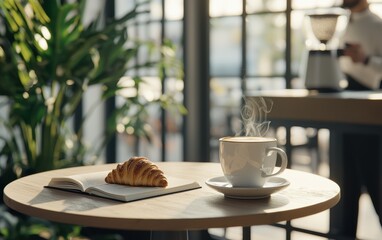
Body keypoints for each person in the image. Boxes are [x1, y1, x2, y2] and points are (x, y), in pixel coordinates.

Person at [336, 0, 382, 238]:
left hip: (368, 107)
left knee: (374, 179)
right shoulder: (344, 25)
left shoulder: (377, 25)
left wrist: (365, 59)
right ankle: (345, 233)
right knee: (345, 183)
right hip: (344, 104)